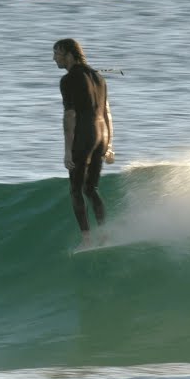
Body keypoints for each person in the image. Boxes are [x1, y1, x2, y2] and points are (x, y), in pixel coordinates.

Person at [52, 38, 115, 248]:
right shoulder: (99, 77)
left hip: (85, 134)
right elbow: (107, 113)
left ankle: (87, 240)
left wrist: (67, 151)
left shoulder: (68, 79)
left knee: (76, 190)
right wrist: (109, 144)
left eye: (57, 54)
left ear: (69, 54)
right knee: (92, 189)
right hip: (102, 134)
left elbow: (70, 116)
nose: (54, 59)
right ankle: (105, 236)